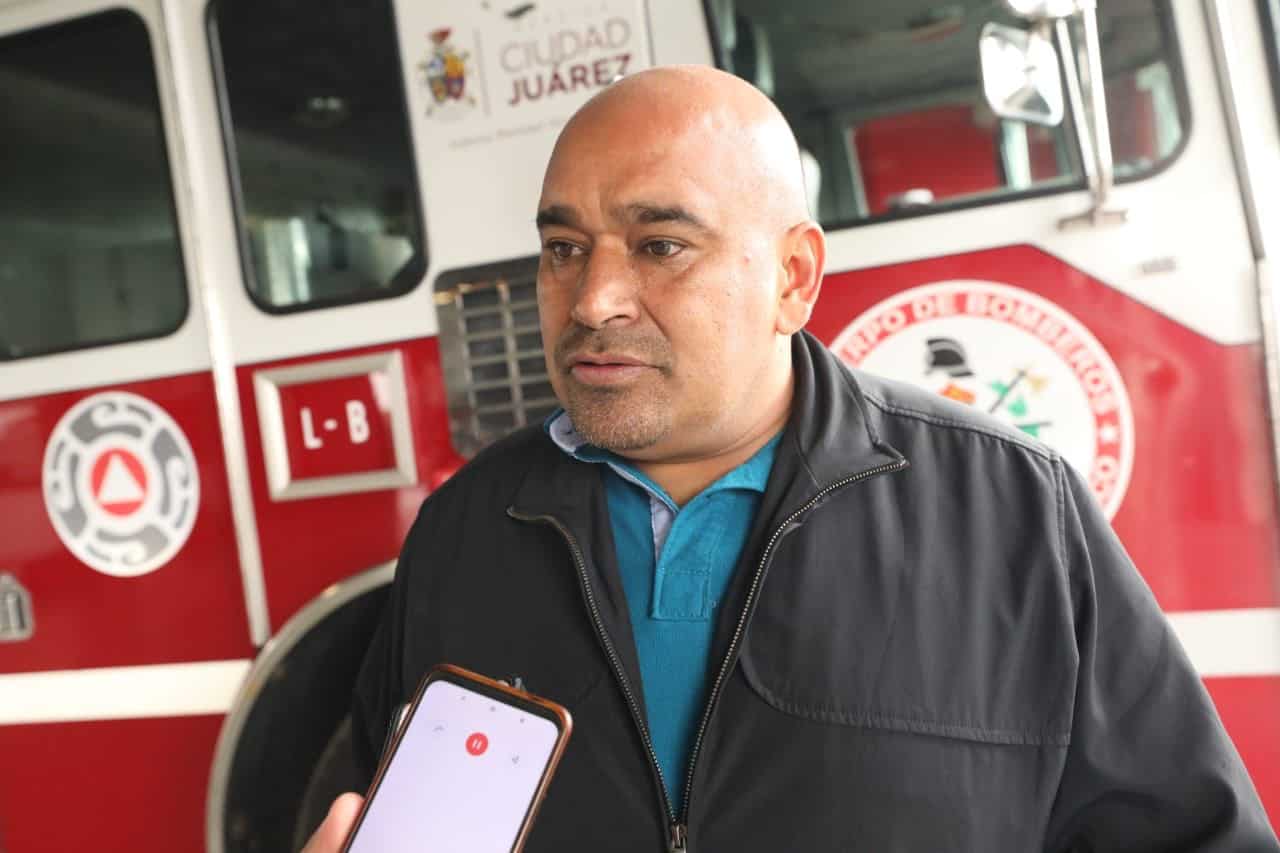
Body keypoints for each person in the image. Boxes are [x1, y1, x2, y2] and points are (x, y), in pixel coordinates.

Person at [304, 65, 1279, 851]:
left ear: (793, 276)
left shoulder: (1014, 511)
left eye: (659, 245)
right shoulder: (466, 527)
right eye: (564, 248)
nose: (592, 298)